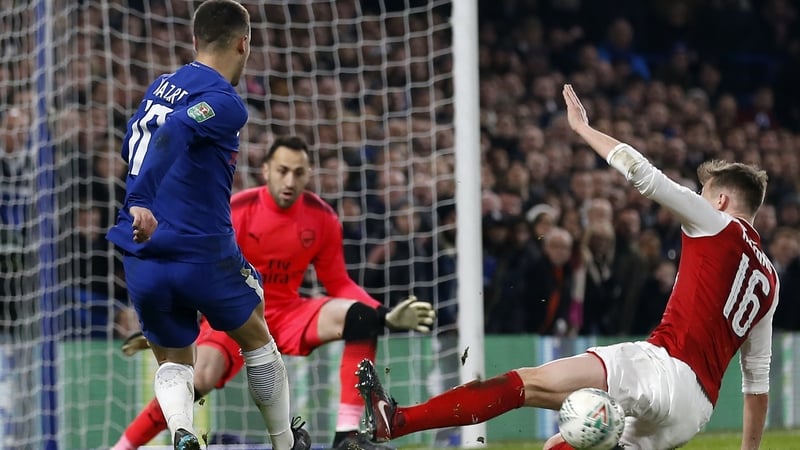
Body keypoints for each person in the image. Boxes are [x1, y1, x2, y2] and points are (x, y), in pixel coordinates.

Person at [355, 84, 778, 450]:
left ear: (720, 200)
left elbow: (644, 176)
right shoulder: (770, 282)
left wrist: (583, 129)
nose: (700, 201)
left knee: (528, 383)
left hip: (660, 365)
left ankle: (401, 420)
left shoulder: (717, 223)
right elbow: (756, 385)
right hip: (694, 411)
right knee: (560, 443)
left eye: (704, 195)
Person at [113, 136, 436, 450]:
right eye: (283, 170)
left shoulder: (322, 217)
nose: (290, 180)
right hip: (234, 313)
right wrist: (174, 325)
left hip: (286, 313)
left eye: (298, 172)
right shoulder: (236, 210)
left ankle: (347, 436)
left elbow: (337, 283)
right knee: (196, 380)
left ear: (308, 174)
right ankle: (123, 446)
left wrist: (383, 314)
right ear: (266, 170)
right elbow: (196, 270)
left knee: (361, 317)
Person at [105, 2, 310, 450]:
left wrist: (138, 199)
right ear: (244, 43)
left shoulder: (161, 86)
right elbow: (175, 131)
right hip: (199, 248)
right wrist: (143, 197)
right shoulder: (226, 104)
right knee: (257, 331)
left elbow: (133, 141)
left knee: (174, 360)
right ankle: (284, 442)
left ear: (195, 41)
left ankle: (181, 432)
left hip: (142, 251)